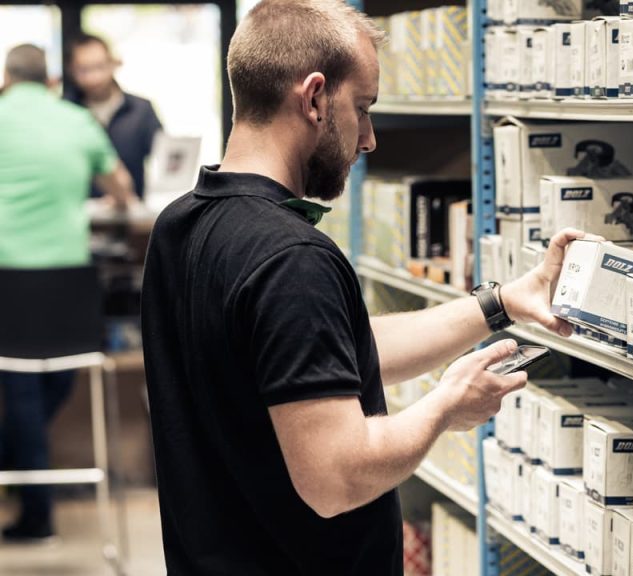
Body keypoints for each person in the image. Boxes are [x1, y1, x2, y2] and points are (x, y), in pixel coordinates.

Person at [140, 1, 583, 573]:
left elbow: (321, 356)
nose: (369, 138)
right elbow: (337, 478)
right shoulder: (291, 258)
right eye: (363, 108)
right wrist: (445, 407)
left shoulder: (183, 224)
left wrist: (499, 305)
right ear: (315, 96)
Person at [0, 44, 134, 542]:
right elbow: (121, 187)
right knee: (52, 377)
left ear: (7, 78)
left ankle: (35, 507)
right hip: (68, 289)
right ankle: (31, 497)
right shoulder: (77, 120)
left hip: (6, 282)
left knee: (20, 385)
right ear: (53, 80)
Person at [67, 34, 162, 199]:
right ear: (71, 70)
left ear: (113, 63)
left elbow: (163, 160)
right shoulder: (66, 111)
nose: (93, 77)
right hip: (80, 213)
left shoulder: (141, 109)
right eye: (83, 70)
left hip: (131, 213)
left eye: (99, 67)